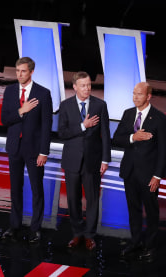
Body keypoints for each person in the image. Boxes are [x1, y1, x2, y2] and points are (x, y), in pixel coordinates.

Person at [112, 82, 166, 259]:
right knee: (133, 209)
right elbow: (117, 138)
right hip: (129, 171)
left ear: (148, 96)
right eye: (134, 93)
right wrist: (133, 137)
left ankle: (150, 245)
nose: (135, 97)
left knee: (151, 211)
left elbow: (164, 151)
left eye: (139, 94)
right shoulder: (128, 114)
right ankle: (135, 241)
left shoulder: (160, 119)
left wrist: (157, 176)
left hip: (149, 175)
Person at [0, 57, 53, 243]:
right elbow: (4, 119)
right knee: (15, 188)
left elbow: (47, 125)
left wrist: (43, 152)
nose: (19, 74)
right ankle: (15, 225)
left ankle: (35, 228)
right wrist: (21, 111)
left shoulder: (43, 93)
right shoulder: (10, 90)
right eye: (17, 71)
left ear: (31, 72)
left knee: (37, 189)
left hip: (34, 149)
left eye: (23, 71)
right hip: (15, 147)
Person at [58, 71, 111, 250]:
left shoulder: (100, 105)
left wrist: (105, 159)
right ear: (74, 87)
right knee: (73, 199)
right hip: (72, 160)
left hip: (93, 160)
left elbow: (105, 134)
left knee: (92, 199)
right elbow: (62, 133)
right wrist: (83, 126)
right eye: (83, 85)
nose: (87, 88)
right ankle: (77, 233)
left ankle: (89, 235)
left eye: (89, 85)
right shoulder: (65, 106)